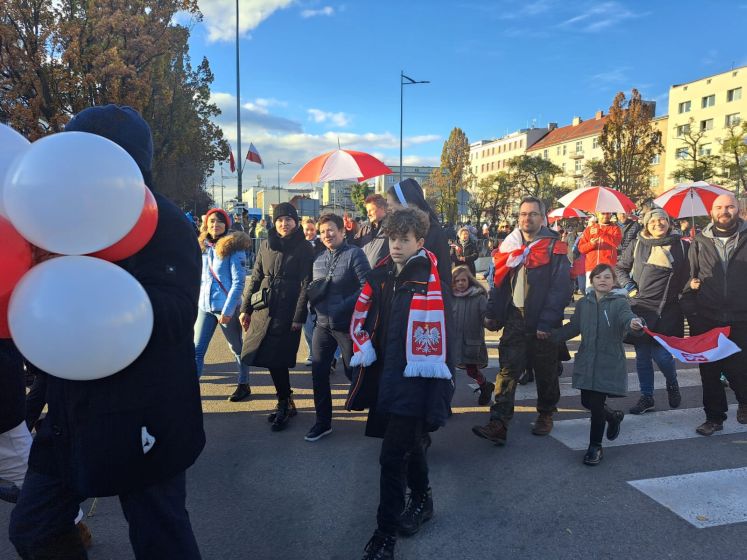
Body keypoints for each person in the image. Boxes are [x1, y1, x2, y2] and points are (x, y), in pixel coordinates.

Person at [10, 104, 205, 559]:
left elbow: (178, 312)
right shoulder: (52, 220)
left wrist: (103, 302)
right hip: (68, 414)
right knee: (33, 528)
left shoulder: (167, 224)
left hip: (145, 411)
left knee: (161, 538)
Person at [346, 207, 453, 560]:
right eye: (392, 238)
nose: (396, 245)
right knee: (409, 448)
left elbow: (443, 337)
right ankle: (422, 499)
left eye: (404, 240)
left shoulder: (429, 279)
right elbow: (367, 320)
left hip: (414, 380)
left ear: (419, 242)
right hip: (384, 378)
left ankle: (384, 535)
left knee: (391, 458)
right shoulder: (380, 276)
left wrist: (439, 393)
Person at [472, 196, 571, 446]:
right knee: (508, 370)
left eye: (533, 214)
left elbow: (561, 288)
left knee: (546, 371)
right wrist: (493, 314)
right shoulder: (509, 245)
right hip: (515, 317)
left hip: (543, 320)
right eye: (523, 214)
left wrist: (546, 323)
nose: (527, 218)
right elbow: (499, 284)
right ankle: (499, 422)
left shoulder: (554, 246)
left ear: (543, 217)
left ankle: (546, 413)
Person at [552, 264, 643, 465]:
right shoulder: (584, 303)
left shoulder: (619, 303)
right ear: (592, 280)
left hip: (608, 361)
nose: (603, 280)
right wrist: (552, 337)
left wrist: (635, 324)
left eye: (607, 277)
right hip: (587, 359)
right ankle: (613, 416)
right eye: (598, 277)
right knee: (587, 402)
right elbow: (574, 327)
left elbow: (628, 320)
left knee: (596, 405)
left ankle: (595, 446)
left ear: (613, 282)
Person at [240, 202, 313, 432]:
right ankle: (286, 399)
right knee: (269, 357)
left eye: (288, 219)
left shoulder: (304, 247)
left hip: (288, 309)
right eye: (280, 219)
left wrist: (299, 316)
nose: (284, 223)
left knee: (279, 357)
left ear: (296, 221)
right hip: (264, 308)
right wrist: (246, 308)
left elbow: (306, 284)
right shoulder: (265, 244)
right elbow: (256, 276)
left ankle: (284, 402)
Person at [684, 193, 747, 436]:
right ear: (711, 212)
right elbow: (689, 279)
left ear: (738, 209)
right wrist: (692, 312)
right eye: (719, 207)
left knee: (740, 368)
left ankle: (744, 401)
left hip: (742, 318)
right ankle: (714, 417)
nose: (724, 211)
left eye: (729, 206)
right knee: (709, 371)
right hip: (708, 317)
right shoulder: (700, 241)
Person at [616, 208, 689, 414]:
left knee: (663, 356)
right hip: (641, 308)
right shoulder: (637, 243)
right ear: (647, 224)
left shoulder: (682, 245)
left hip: (669, 310)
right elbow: (619, 268)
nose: (659, 223)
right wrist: (630, 288)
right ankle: (647, 397)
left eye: (663, 219)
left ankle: (672, 383)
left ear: (669, 222)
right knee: (642, 357)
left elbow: (688, 274)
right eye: (654, 221)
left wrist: (690, 287)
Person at [306, 214, 370, 442]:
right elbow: (314, 287)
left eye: (331, 230)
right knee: (318, 373)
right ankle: (322, 422)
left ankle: (373, 406)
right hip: (322, 325)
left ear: (343, 231)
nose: (327, 235)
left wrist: (342, 307)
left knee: (353, 371)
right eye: (322, 231)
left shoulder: (355, 254)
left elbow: (366, 287)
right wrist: (312, 303)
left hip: (347, 325)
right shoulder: (319, 258)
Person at [194, 208, 253, 402]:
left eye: (219, 221)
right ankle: (189, 390)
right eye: (211, 221)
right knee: (197, 349)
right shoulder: (203, 246)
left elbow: (238, 282)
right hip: (205, 307)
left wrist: (228, 311)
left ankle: (244, 384)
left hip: (226, 308)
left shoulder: (233, 248)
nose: (215, 225)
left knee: (236, 348)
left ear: (226, 224)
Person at [387, 178, 452, 285]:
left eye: (391, 206)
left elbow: (444, 275)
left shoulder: (435, 233)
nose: (388, 210)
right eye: (393, 239)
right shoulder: (394, 230)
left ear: (405, 204)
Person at [451, 265, 493, 405]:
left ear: (469, 280)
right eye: (457, 281)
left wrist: (491, 321)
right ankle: (445, 401)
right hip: (453, 342)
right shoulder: (450, 297)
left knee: (472, 371)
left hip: (471, 342)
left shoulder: (478, 298)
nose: (460, 283)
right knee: (448, 373)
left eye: (463, 280)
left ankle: (485, 387)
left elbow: (485, 318)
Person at [578, 212, 622, 288]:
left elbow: (616, 243)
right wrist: (591, 244)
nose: (605, 216)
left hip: (608, 268)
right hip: (592, 268)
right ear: (597, 214)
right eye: (603, 213)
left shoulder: (615, 228)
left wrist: (600, 233)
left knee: (607, 295)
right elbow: (581, 249)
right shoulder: (589, 229)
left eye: (608, 214)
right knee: (591, 295)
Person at [303, 218, 325, 365]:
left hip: (320, 289)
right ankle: (312, 352)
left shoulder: (322, 244)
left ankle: (330, 356)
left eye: (312, 229)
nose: (309, 232)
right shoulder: (298, 245)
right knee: (307, 325)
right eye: (306, 229)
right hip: (303, 290)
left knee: (322, 324)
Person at [356, 193, 389, 267]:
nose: (368, 214)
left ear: (382, 208)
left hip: (384, 276)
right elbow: (353, 248)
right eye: (367, 211)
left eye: (370, 210)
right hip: (364, 275)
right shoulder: (364, 228)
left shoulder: (393, 227)